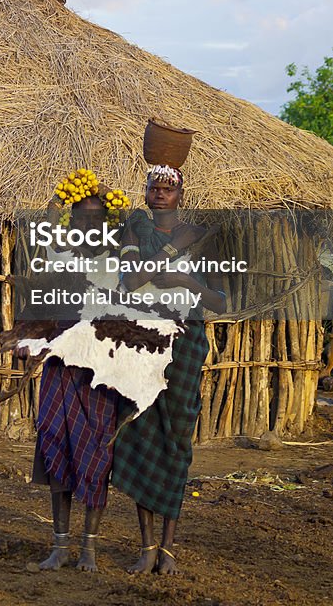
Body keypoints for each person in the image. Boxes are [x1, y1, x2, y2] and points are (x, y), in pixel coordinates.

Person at [110, 164, 225, 576]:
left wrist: (189, 284)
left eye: (168, 189)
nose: (160, 194)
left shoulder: (201, 239)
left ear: (181, 194)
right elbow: (130, 283)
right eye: (153, 188)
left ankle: (170, 548)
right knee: (141, 434)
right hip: (142, 341)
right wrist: (171, 254)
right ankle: (147, 545)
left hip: (187, 343)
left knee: (177, 438)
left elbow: (219, 301)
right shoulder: (134, 233)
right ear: (144, 193)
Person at [29, 190, 123, 572]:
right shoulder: (59, 258)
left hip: (98, 374)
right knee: (57, 452)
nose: (88, 225)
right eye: (80, 218)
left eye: (94, 219)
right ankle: (60, 547)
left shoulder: (116, 264)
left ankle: (89, 550)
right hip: (59, 370)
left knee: (95, 457)